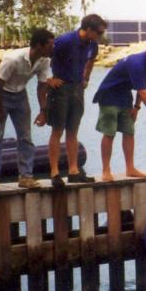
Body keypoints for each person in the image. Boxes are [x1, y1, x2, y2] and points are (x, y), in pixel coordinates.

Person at [0, 28, 55, 192]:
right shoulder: (13, 59)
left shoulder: (44, 60)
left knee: (25, 138)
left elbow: (42, 86)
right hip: (1, 94)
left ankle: (26, 177)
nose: (53, 48)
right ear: (39, 45)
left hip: (20, 95)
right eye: (50, 45)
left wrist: (43, 110)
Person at [92, 37, 146, 181]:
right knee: (109, 133)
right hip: (109, 95)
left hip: (125, 96)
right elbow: (143, 92)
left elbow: (143, 87)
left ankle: (130, 168)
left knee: (129, 131)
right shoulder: (137, 63)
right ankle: (106, 170)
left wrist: (136, 107)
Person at [46, 14, 107, 188]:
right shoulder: (64, 41)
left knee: (73, 130)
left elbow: (92, 59)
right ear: (88, 29)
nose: (100, 36)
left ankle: (73, 171)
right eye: (99, 32)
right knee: (57, 129)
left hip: (77, 89)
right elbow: (44, 57)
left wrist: (86, 78)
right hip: (60, 87)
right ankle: (55, 173)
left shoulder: (92, 44)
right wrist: (48, 79)